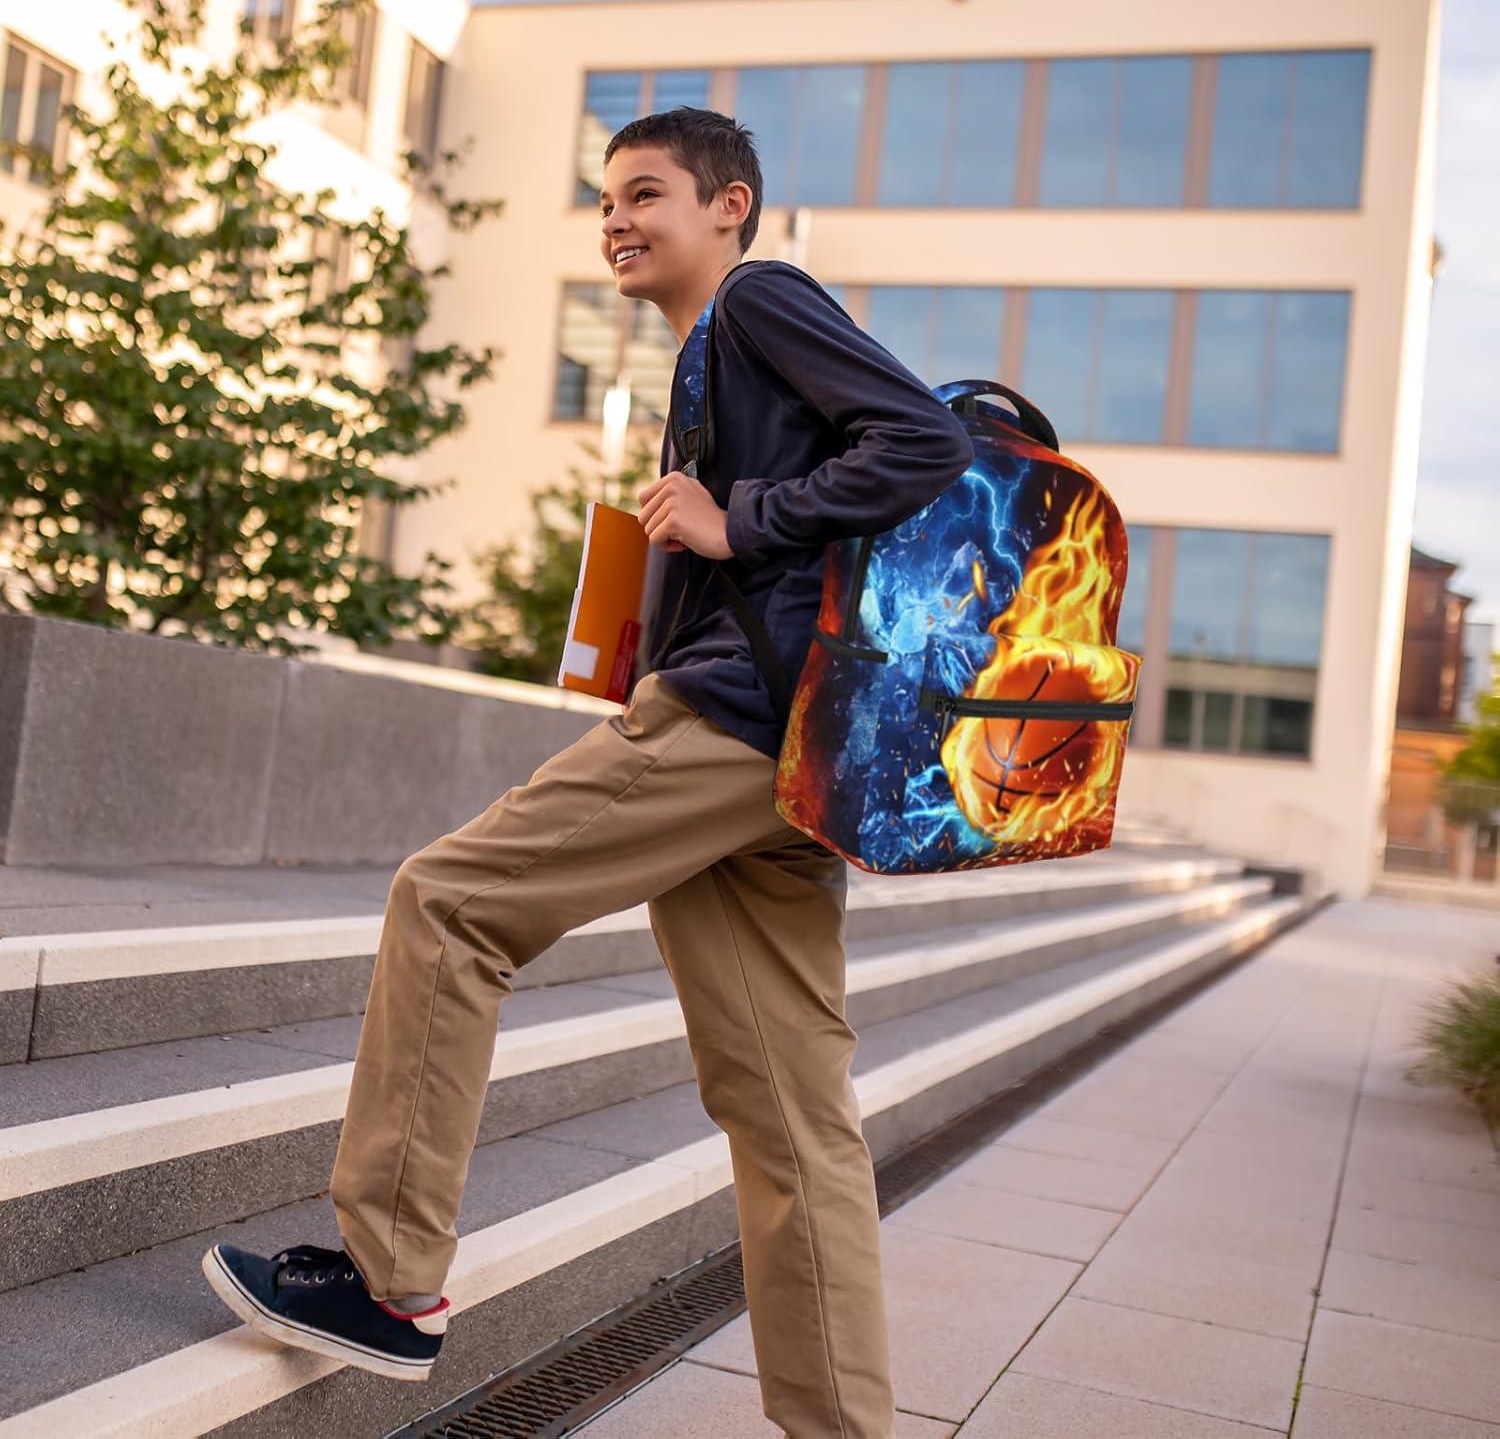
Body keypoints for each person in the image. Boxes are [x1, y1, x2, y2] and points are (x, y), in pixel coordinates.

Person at [202, 106, 972, 1438]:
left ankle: (389, 1283)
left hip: (732, 724)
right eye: (606, 200)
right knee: (791, 1111)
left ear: (729, 206)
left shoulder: (760, 300)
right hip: (792, 754)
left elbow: (923, 440)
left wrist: (740, 519)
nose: (617, 219)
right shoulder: (709, 354)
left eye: (647, 193)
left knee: (450, 905)